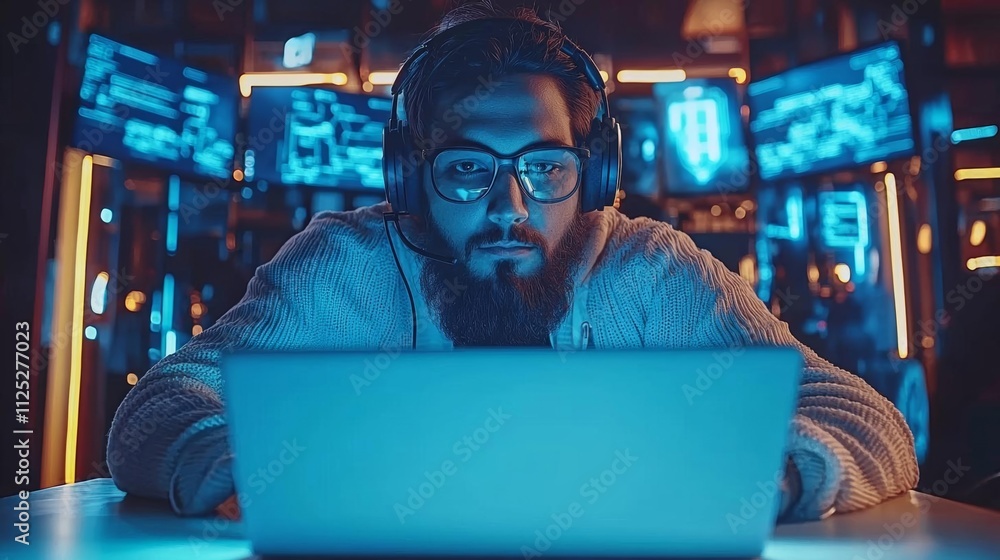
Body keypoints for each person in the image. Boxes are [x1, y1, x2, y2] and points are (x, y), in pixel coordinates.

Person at [107, 1, 917, 521]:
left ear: (592, 176)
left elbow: (867, 419)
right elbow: (156, 410)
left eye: (546, 167)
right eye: (467, 167)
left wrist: (767, 477)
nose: (510, 206)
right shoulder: (342, 266)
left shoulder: (651, 271)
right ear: (409, 179)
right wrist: (242, 463)